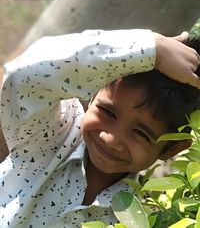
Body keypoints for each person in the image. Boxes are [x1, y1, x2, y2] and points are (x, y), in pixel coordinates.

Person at [0, 29, 199, 228]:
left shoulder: (133, 220)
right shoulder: (50, 136)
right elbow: (24, 76)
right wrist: (151, 50)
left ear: (172, 148)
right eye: (108, 112)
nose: (110, 139)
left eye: (141, 133)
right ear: (93, 94)